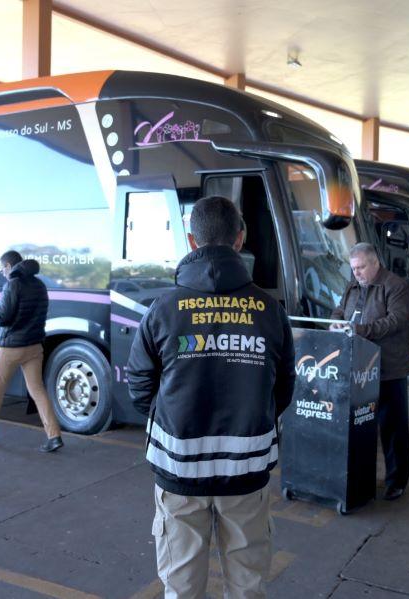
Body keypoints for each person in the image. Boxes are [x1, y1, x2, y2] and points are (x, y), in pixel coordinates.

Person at [127, 196, 295, 599]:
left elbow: (139, 385)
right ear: (240, 239)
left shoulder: (163, 308)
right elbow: (284, 387)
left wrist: (174, 419)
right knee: (247, 584)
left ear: (191, 240)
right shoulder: (269, 310)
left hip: (178, 473)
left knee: (181, 586)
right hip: (247, 473)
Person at [330, 243, 409, 501]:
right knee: (357, 424)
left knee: (392, 427)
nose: (356, 273)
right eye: (353, 268)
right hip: (355, 368)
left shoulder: (396, 286)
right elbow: (340, 309)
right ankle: (356, 476)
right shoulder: (353, 286)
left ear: (375, 263)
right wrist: (335, 319)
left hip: (387, 368)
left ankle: (397, 480)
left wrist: (360, 330)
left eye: (361, 267)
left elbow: (396, 321)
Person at [0, 251, 63, 453]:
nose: (1, 273)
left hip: (11, 347)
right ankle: (54, 436)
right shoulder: (39, 284)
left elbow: (1, 318)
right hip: (34, 346)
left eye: (2, 269)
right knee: (37, 390)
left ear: (9, 265)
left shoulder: (13, 284)